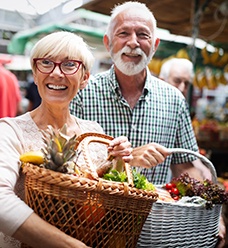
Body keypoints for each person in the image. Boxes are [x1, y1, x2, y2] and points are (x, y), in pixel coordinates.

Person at [70, 1, 226, 244]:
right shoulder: (83, 92)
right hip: (93, 223)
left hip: (158, 228)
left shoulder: (174, 99)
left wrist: (212, 212)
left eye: (143, 35)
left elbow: (185, 166)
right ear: (108, 42)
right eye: (123, 33)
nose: (133, 42)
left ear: (154, 46)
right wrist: (126, 160)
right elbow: (71, 166)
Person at [0, 31, 136, 248]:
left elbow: (107, 206)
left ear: (85, 78)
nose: (56, 73)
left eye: (69, 65)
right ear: (35, 74)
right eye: (46, 63)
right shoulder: (9, 131)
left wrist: (119, 162)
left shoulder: (94, 134)